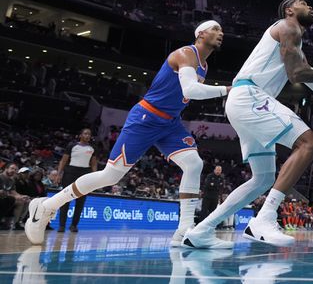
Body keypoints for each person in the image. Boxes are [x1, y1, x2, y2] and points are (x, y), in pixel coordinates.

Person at [183, 0, 313, 249]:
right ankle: (264, 218)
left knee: (263, 178)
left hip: (246, 101)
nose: (310, 6)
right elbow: (297, 75)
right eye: (303, 3)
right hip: (250, 96)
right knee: (309, 142)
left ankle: (201, 230)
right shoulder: (288, 27)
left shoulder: (293, 43)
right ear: (290, 10)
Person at [25, 21, 229, 246]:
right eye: (216, 29)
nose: (221, 33)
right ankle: (46, 207)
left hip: (170, 123)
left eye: (221, 30)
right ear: (200, 33)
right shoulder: (185, 54)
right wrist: (228, 90)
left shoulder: (204, 66)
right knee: (110, 176)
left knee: (194, 164)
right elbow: (190, 90)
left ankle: (185, 231)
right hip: (147, 117)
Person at [56, 128, 97, 232]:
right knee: (65, 199)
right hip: (70, 173)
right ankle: (62, 225)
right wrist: (58, 174)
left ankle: (74, 225)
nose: (87, 136)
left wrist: (94, 178)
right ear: (80, 135)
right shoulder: (72, 145)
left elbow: (93, 164)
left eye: (89, 134)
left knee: (80, 201)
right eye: (85, 133)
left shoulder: (92, 148)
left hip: (84, 175)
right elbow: (63, 160)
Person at [0, 164, 29, 230]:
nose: (13, 170)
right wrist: (15, 197)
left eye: (15, 169)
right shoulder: (1, 177)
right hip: (2, 198)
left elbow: (13, 191)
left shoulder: (12, 180)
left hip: (6, 198)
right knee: (14, 200)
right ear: (6, 168)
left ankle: (16, 223)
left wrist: (21, 196)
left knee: (25, 201)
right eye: (12, 168)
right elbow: (2, 192)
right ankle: (8, 222)